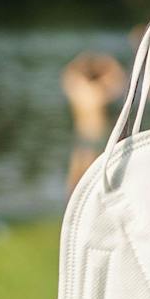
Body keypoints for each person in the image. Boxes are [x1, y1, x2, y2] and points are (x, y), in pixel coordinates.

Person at [61, 49, 127, 192]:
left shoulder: (77, 91)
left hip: (82, 136)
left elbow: (68, 74)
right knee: (97, 178)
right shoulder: (99, 93)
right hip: (99, 138)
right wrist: (107, 61)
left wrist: (82, 60)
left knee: (77, 178)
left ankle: (71, 200)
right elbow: (119, 78)